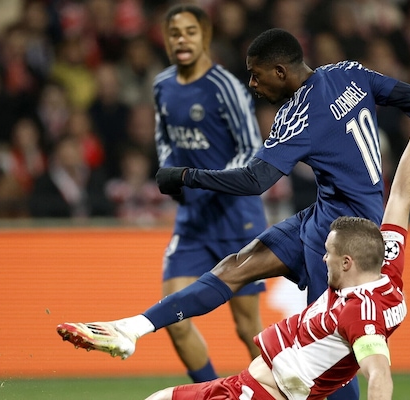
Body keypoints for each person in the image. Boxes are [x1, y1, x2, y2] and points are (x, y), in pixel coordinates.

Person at [58, 29, 410, 400]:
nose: (252, 84)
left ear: (280, 72)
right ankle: (132, 328)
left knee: (331, 349)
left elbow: (254, 180)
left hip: (341, 240)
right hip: (329, 216)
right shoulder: (350, 74)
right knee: (233, 267)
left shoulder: (297, 116)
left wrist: (187, 175)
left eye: (256, 75)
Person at [143, 78, 410, 400]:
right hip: (259, 377)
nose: (321, 257)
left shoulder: (361, 313)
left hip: (269, 391)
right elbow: (401, 196)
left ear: (347, 262)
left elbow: (380, 373)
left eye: (328, 252)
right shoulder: (388, 265)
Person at [123, 4, 270, 384]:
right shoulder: (162, 86)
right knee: (174, 320)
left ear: (204, 37)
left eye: (190, 31)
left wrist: (201, 179)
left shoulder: (226, 86)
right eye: (174, 33)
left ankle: (286, 390)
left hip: (236, 217)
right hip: (192, 220)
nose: (182, 39)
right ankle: (210, 392)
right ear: (167, 40)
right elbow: (165, 138)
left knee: (246, 327)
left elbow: (251, 148)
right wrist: (170, 170)